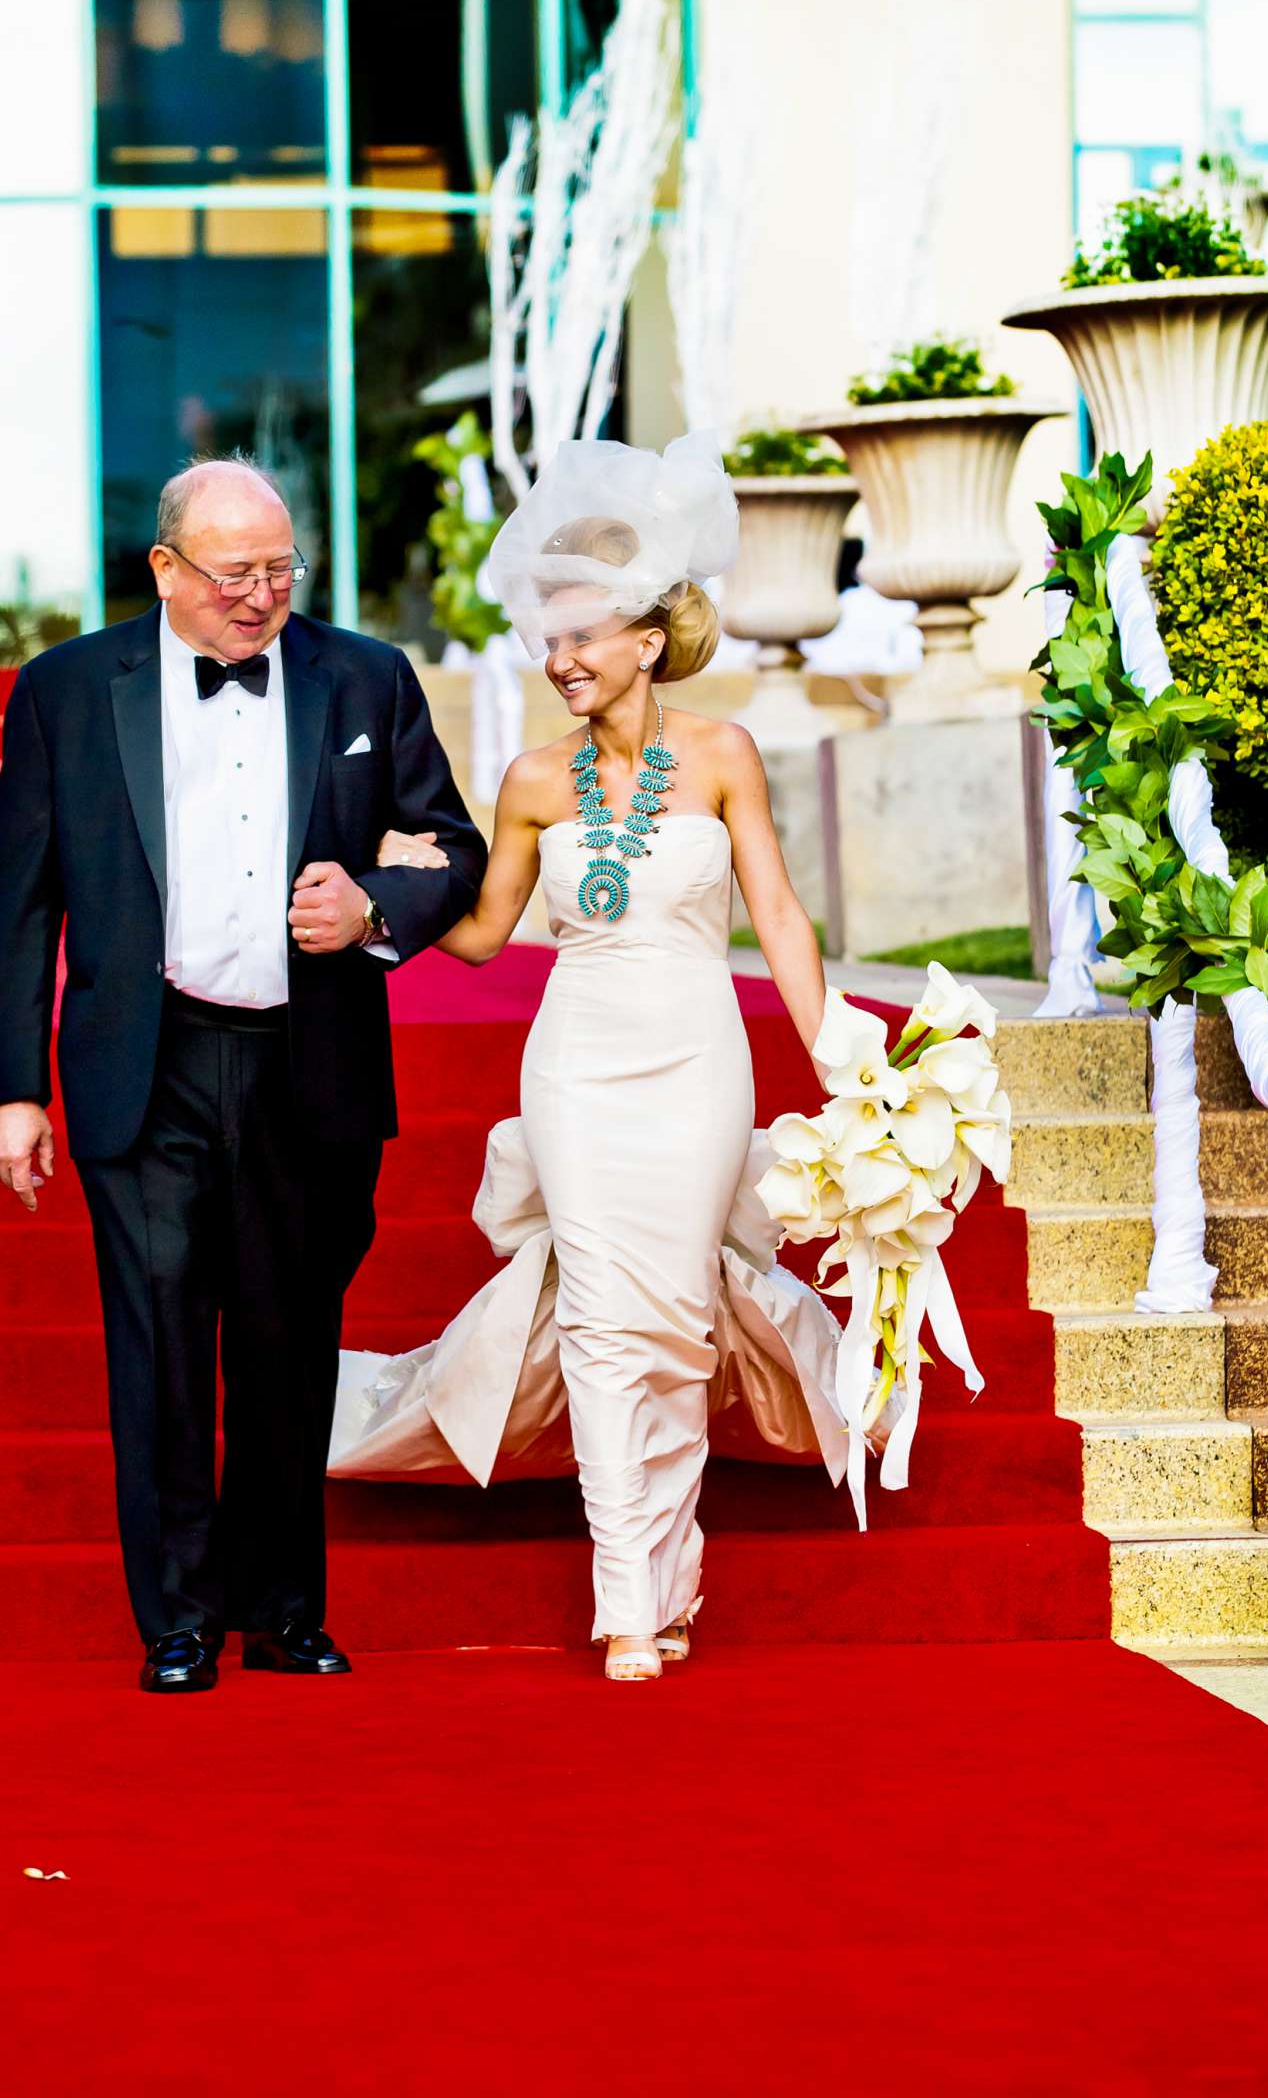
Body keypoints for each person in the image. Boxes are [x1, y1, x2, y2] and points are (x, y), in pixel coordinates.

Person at [323, 433, 860, 1684]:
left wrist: (834, 1045)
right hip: (576, 1066)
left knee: (673, 1319)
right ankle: (633, 1598)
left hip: (697, 1062)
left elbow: (777, 912)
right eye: (547, 641)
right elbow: (482, 933)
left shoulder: (723, 757)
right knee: (607, 1323)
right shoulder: (525, 783)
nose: (558, 661)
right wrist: (381, 901)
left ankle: (667, 1578)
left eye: (581, 638)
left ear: (647, 638)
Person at [0, 458, 487, 1693]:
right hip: (141, 1063)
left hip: (303, 1059)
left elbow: (454, 847)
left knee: (288, 1340)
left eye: (279, 570)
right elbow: (20, 902)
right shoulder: (63, 692)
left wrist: (373, 904)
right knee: (156, 1346)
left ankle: (286, 1607)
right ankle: (179, 1621)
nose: (261, 597)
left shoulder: (366, 674)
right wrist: (11, 1087)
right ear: (165, 569)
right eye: (233, 574)